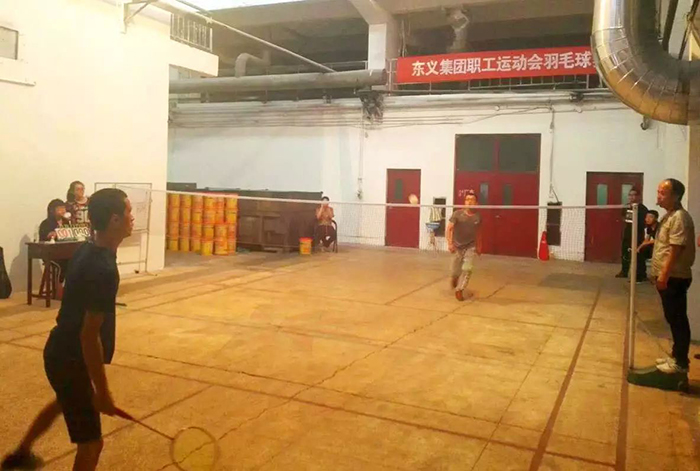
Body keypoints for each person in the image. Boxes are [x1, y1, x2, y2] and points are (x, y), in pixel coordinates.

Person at [2, 188, 133, 470]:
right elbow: (89, 336)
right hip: (71, 358)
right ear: (114, 220)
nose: (132, 218)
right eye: (128, 212)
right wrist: (103, 392)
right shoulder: (103, 270)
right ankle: (20, 455)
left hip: (59, 351)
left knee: (63, 401)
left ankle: (20, 455)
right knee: (92, 444)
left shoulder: (87, 249)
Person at [652, 179, 695, 374]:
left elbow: (676, 249)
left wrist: (664, 275)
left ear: (676, 196)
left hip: (675, 277)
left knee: (677, 320)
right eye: (658, 192)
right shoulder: (668, 216)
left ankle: (680, 363)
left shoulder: (679, 217)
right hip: (669, 276)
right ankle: (676, 355)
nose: (659, 196)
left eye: (663, 193)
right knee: (672, 318)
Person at [447, 191, 482, 301]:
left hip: (470, 246)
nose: (469, 202)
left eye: (472, 200)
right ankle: (455, 277)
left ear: (476, 203)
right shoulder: (457, 214)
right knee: (455, 271)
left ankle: (460, 289)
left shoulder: (478, 217)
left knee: (467, 269)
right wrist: (450, 243)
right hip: (457, 246)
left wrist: (479, 246)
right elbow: (449, 229)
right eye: (467, 200)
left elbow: (478, 232)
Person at [616, 187, 648, 282]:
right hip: (627, 233)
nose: (631, 197)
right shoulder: (626, 207)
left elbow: (645, 222)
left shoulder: (643, 209)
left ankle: (640, 275)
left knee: (638, 255)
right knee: (625, 253)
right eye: (630, 195)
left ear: (638, 196)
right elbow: (623, 217)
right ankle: (624, 271)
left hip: (638, 234)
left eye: (634, 195)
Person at [636, 210, 659, 281]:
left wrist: (647, 243)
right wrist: (639, 248)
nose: (647, 219)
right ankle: (641, 275)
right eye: (646, 217)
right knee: (639, 253)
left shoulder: (660, 227)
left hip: (660, 247)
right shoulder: (649, 227)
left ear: (656, 218)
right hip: (653, 246)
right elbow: (647, 239)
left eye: (650, 217)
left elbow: (659, 240)